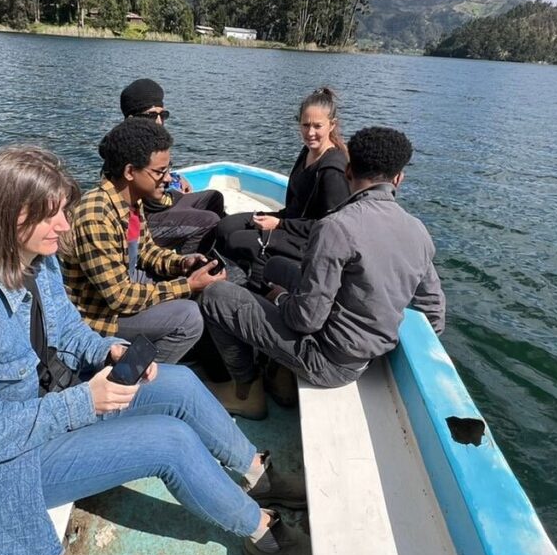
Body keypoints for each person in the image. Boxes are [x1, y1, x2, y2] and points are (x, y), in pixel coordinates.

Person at [0, 146, 313, 555]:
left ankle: (256, 473)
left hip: (52, 404)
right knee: (169, 441)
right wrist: (83, 402)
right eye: (52, 215)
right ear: (11, 218)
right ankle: (262, 534)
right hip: (8, 465)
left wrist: (109, 350)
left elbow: (70, 331)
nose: (65, 226)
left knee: (182, 382)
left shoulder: (38, 262)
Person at [200, 127, 446, 416]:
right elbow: (434, 314)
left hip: (327, 361)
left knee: (216, 294)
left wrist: (279, 299)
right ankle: (280, 376)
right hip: (367, 354)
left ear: (349, 171)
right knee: (277, 267)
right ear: (398, 178)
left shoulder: (336, 227)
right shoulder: (417, 230)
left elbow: (305, 319)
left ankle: (247, 393)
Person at [61, 119, 224, 363]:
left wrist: (183, 264)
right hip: (100, 317)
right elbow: (119, 298)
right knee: (188, 318)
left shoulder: (131, 200)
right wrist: (187, 285)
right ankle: (133, 382)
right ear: (129, 172)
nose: (169, 179)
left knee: (201, 289)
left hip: (120, 289)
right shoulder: (95, 215)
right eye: (160, 172)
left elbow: (146, 251)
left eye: (169, 169)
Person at [214, 86, 350, 293]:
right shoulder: (307, 152)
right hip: (288, 221)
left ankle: (260, 288)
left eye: (317, 126)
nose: (310, 133)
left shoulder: (333, 170)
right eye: (305, 125)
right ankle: (245, 270)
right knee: (226, 226)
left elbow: (329, 228)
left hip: (308, 239)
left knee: (238, 240)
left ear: (332, 125)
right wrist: (280, 221)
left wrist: (279, 224)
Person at [120, 78, 225, 254]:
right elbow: (153, 204)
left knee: (214, 198)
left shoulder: (151, 141)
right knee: (208, 220)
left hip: (158, 202)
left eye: (163, 115)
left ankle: (217, 247)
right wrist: (173, 190)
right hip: (140, 219)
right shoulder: (126, 149)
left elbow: (157, 178)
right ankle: (189, 269)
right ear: (132, 119)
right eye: (152, 115)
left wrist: (175, 179)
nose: (159, 122)